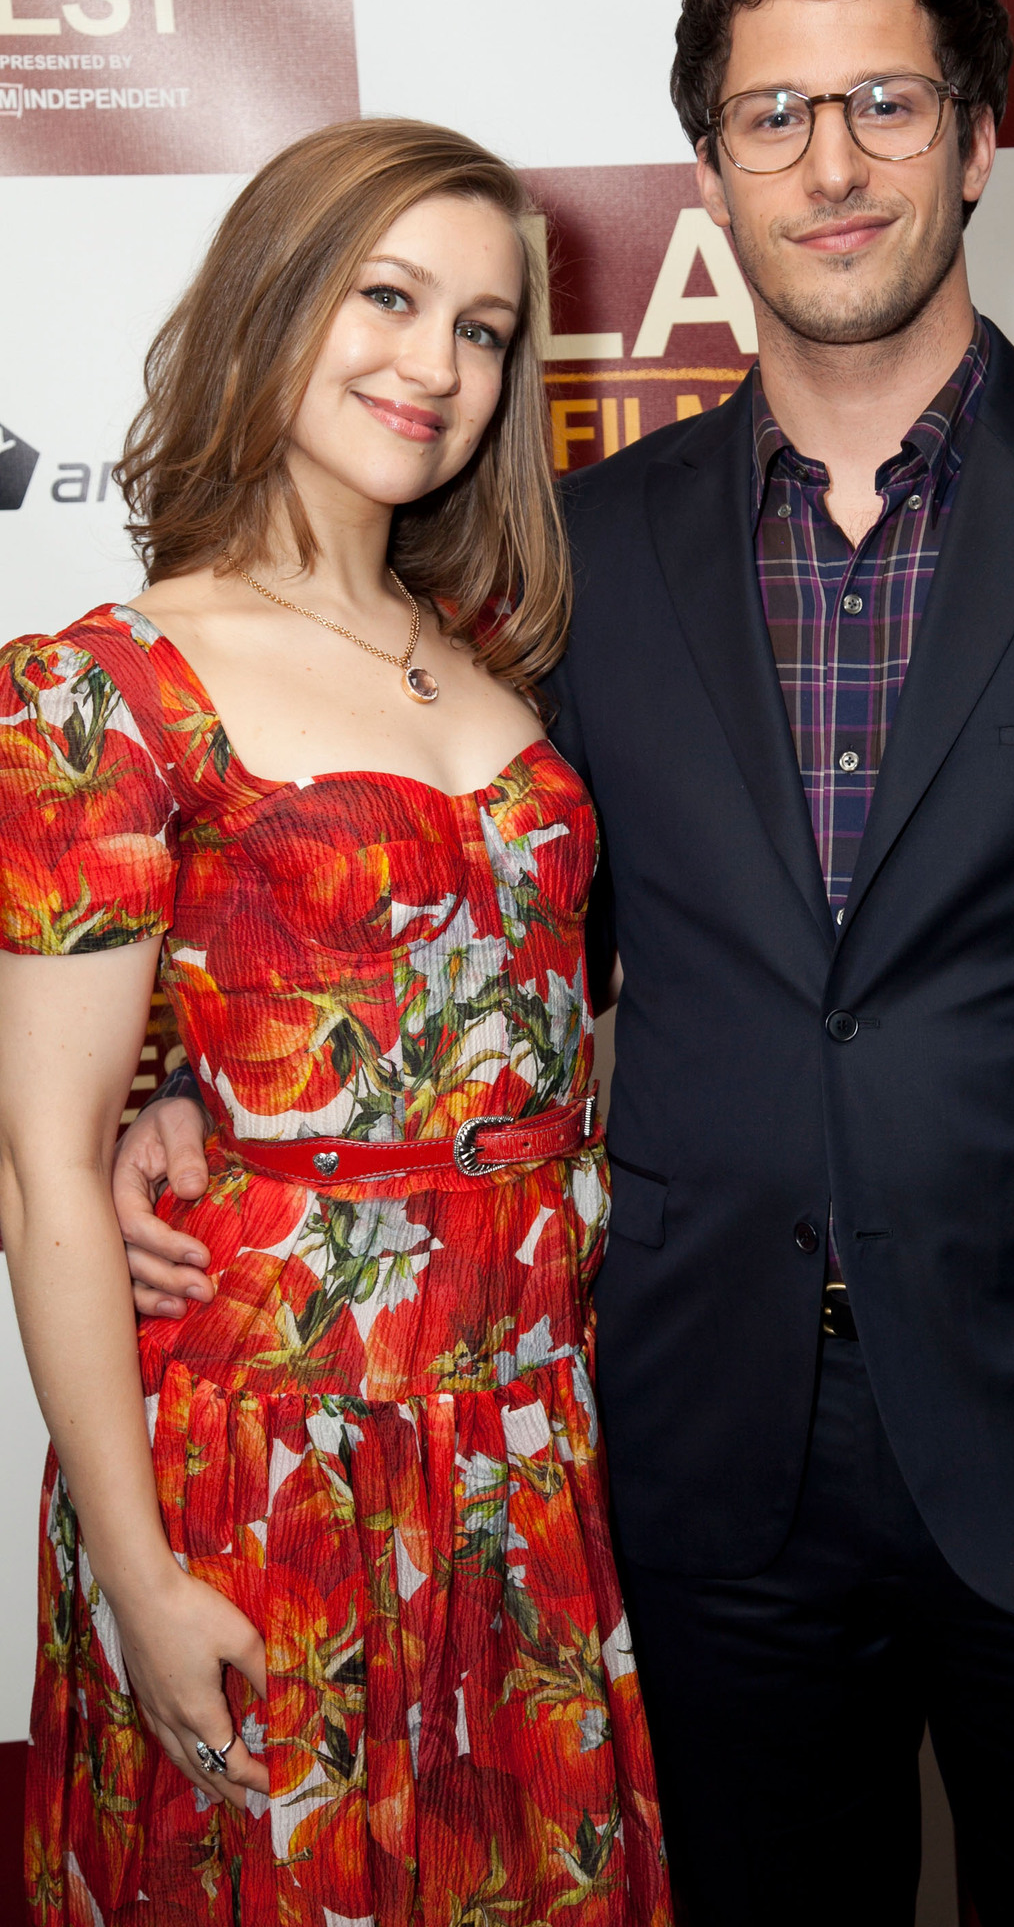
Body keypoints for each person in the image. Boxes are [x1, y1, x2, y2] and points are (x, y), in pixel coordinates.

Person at [114, 0, 1014, 1926]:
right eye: (771, 117)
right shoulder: (582, 549)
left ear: (973, 142)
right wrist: (173, 1082)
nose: (830, 163)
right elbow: (463, 925)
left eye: (882, 102)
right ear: (709, 172)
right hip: (702, 1461)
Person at [0, 117, 669, 1927]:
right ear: (274, 300)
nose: (435, 364)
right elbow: (49, 1171)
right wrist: (139, 1581)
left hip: (527, 1437)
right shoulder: (103, 688)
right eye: (389, 296)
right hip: (275, 1456)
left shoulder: (490, 648)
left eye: (483, 327)